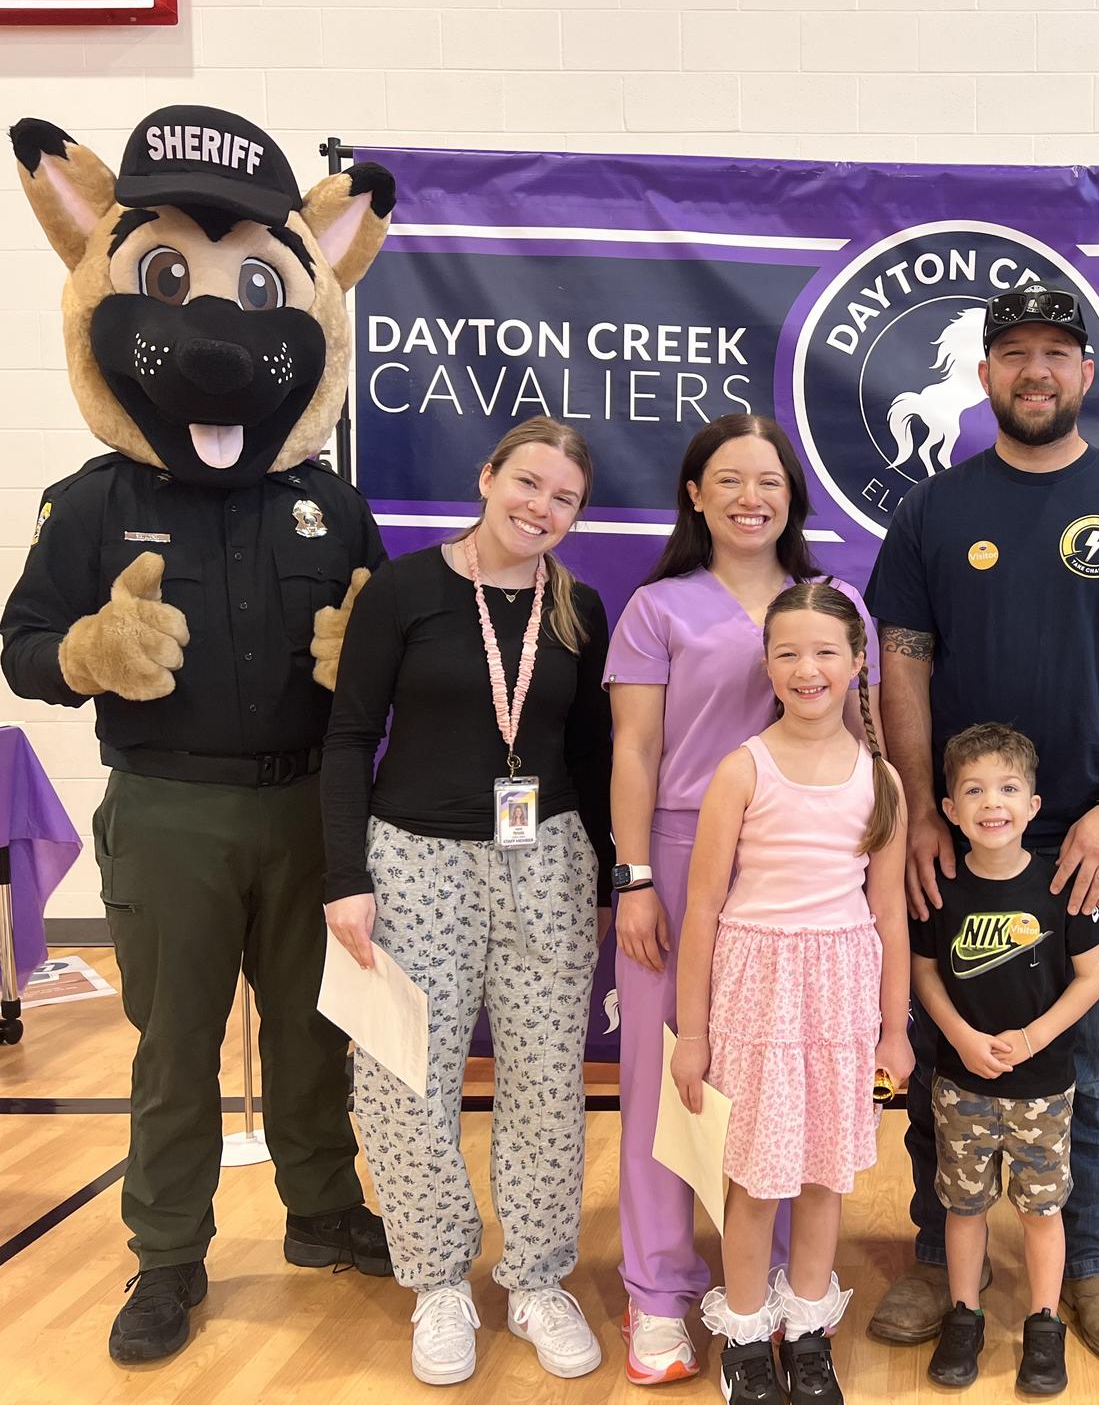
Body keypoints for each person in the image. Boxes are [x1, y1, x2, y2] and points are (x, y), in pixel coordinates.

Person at [1, 103, 396, 1366]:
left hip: (307, 810)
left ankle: (321, 1213)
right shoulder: (92, 502)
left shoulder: (330, 503)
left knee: (314, 1031)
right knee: (174, 1047)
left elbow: (383, 648)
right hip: (169, 807)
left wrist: (363, 659)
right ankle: (167, 1255)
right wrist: (87, 651)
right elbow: (20, 646)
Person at [865, 283, 1099, 1362]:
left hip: (1094, 837)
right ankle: (942, 1256)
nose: (1035, 370)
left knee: (1095, 1052)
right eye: (1014, 352)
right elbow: (903, 664)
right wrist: (918, 814)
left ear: (1086, 372)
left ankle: (1095, 1262)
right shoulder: (934, 510)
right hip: (963, 836)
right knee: (948, 1047)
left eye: (1056, 352)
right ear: (983, 375)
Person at [321, 417, 615, 1387]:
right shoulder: (404, 591)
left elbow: (592, 755)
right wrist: (344, 877)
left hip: (548, 862)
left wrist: (608, 876)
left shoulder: (577, 608)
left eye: (564, 498)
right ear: (488, 478)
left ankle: (535, 1278)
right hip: (414, 863)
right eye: (527, 483)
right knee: (404, 1075)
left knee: (546, 1081)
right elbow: (348, 737)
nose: (540, 508)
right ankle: (439, 1281)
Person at [603, 414, 882, 1386]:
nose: (749, 497)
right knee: (671, 1087)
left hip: (798, 870)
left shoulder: (835, 602)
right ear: (694, 494)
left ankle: (774, 1300)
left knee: (784, 1095)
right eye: (727, 479)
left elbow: (859, 745)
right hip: (682, 857)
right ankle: (657, 1294)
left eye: (768, 480)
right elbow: (634, 751)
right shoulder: (658, 608)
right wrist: (635, 878)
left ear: (793, 496)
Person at [670, 582, 913, 1405]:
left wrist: (893, 1031)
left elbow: (888, 913)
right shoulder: (743, 769)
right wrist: (693, 1035)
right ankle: (745, 1337)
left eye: (825, 652)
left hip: (842, 996)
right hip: (757, 994)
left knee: (822, 1176)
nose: (807, 669)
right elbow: (703, 908)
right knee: (755, 1178)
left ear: (857, 662)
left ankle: (808, 1332)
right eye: (788, 653)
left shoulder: (880, 779)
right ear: (768, 666)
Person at [912, 724, 1099, 1397]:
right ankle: (964, 1316)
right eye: (973, 790)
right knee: (964, 1208)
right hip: (961, 1085)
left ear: (1033, 805)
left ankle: (1044, 1325)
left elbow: (1091, 979)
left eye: (1008, 788)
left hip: (1042, 1088)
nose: (992, 803)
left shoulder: (1060, 886)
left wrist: (1031, 1038)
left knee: (1041, 1212)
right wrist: (963, 1037)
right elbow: (924, 973)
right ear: (949, 809)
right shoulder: (941, 889)